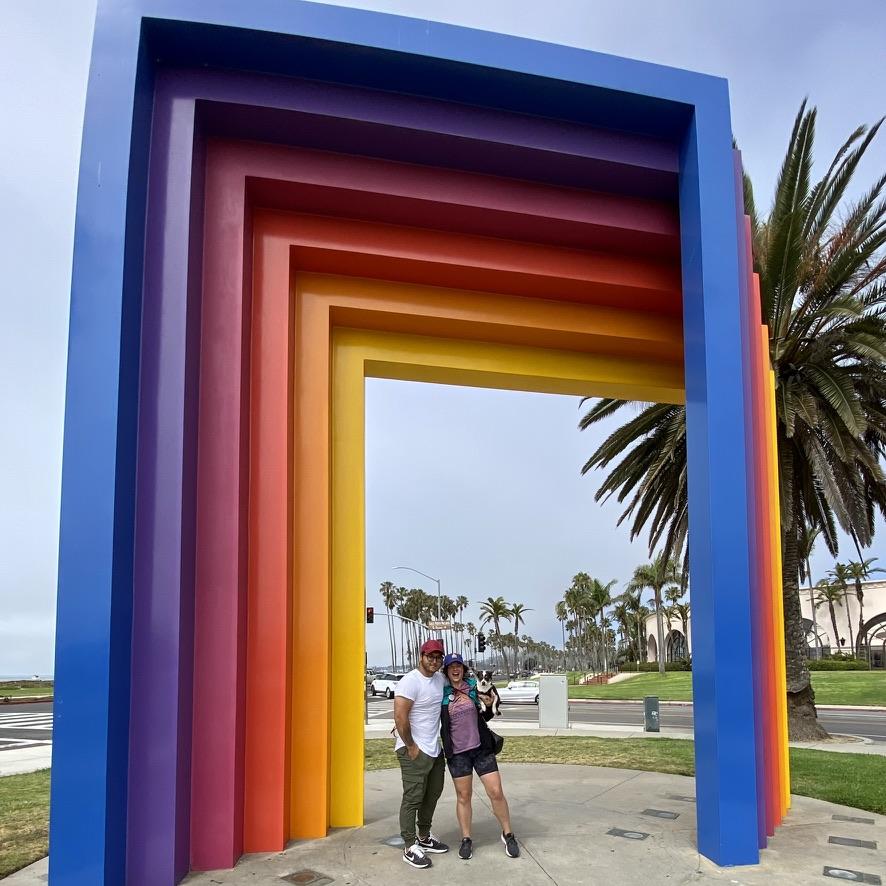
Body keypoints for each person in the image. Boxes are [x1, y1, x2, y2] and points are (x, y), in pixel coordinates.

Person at [440, 652, 519, 860]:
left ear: (463, 669)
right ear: (446, 671)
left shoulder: (473, 688)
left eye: (458, 666)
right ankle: (466, 839)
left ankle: (508, 834)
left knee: (496, 792)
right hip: (458, 753)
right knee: (464, 796)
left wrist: (491, 705)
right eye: (451, 667)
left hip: (481, 748)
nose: (455, 669)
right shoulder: (442, 693)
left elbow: (486, 715)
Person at [393, 638, 450, 868]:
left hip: (434, 749)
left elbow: (459, 681)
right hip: (413, 750)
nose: (434, 661)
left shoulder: (440, 679)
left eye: (438, 657)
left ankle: (424, 837)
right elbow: (400, 717)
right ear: (421, 657)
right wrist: (411, 746)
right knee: (413, 798)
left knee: (433, 793)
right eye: (430, 656)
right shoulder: (410, 681)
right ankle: (409, 846)